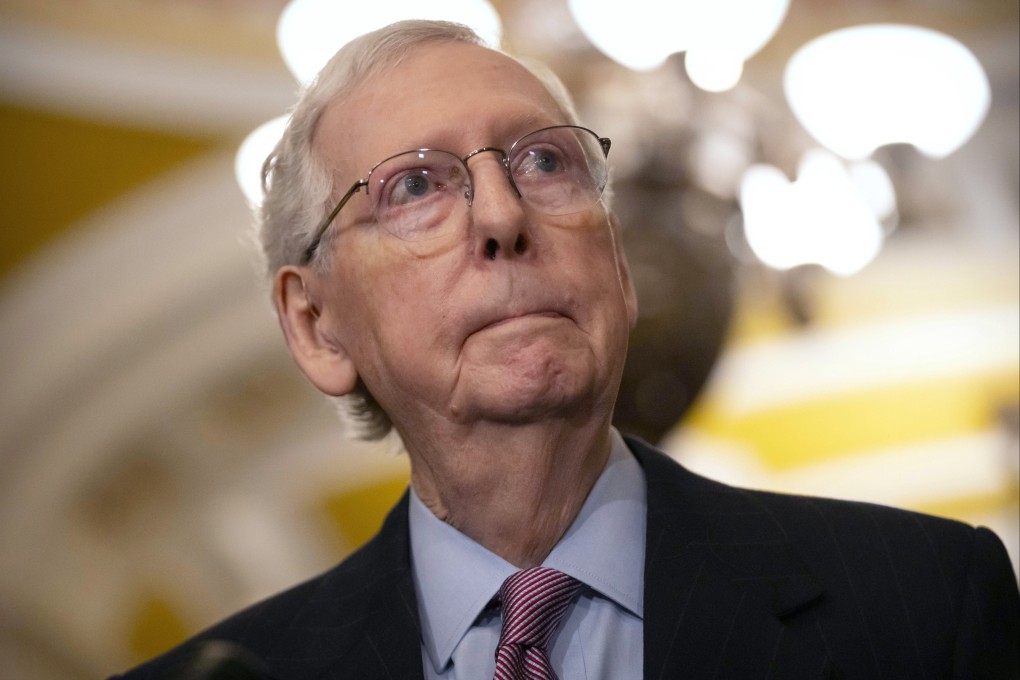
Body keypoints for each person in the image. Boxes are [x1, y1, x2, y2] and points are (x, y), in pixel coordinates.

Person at [112, 19, 1019, 680]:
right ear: (316, 326)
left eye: (546, 163)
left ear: (618, 263)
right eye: (416, 186)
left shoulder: (928, 603)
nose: (504, 216)